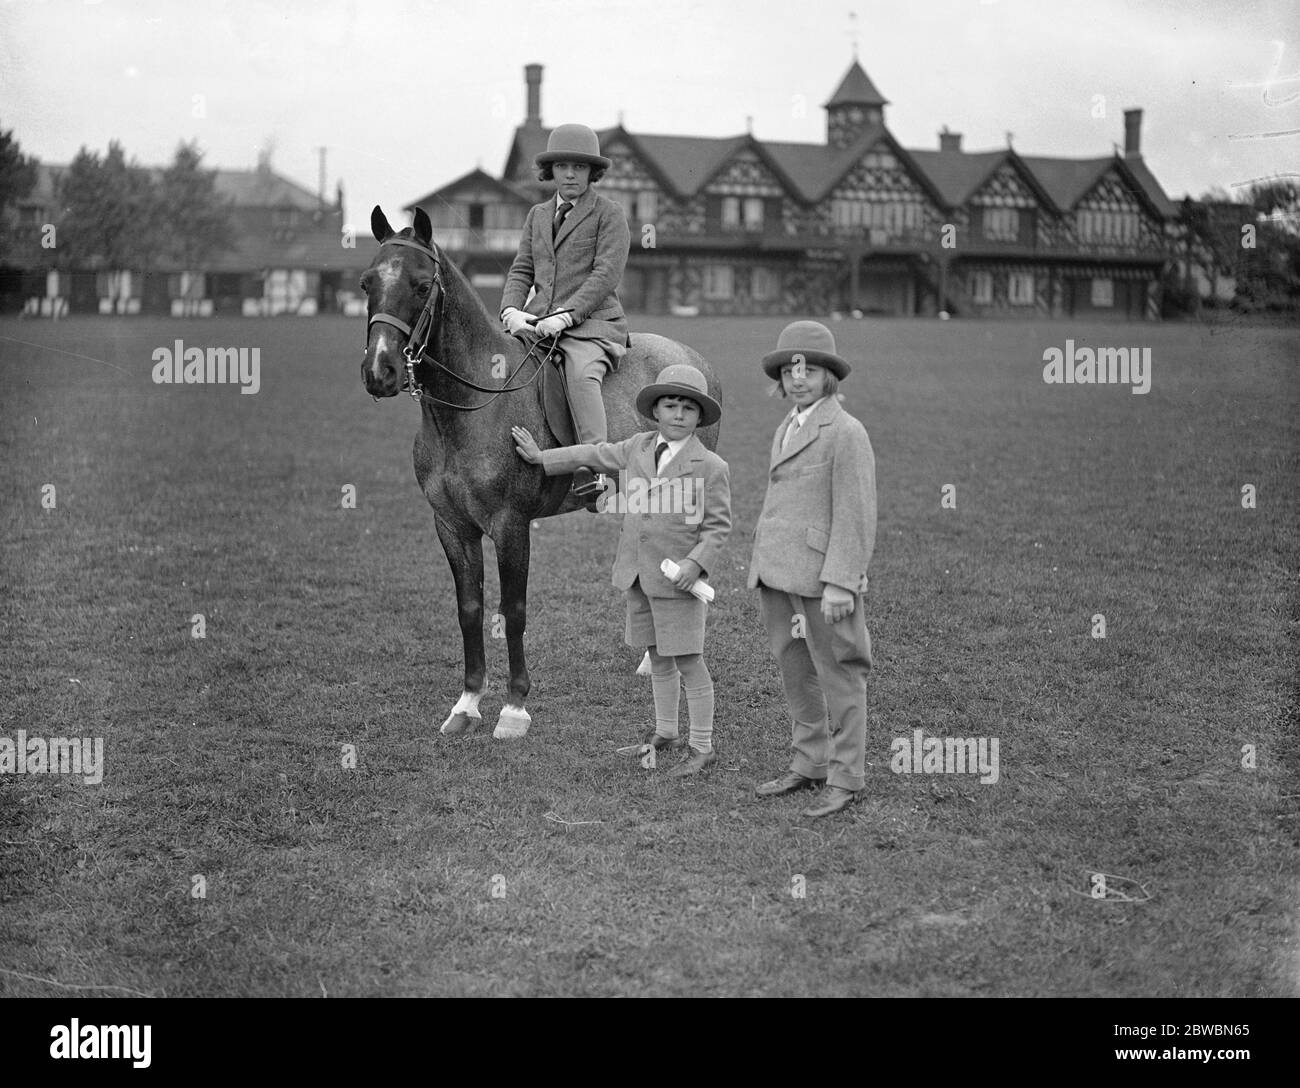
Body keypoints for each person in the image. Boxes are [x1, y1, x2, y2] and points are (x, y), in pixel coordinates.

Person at [512, 364, 731, 776]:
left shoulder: (711, 466)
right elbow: (593, 454)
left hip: (678, 582)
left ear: (700, 416)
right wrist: (543, 458)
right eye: (671, 405)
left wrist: (695, 564)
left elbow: (718, 528)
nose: (679, 414)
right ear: (656, 410)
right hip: (636, 574)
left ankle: (702, 745)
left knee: (688, 661)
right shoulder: (637, 447)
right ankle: (665, 732)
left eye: (688, 408)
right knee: (657, 656)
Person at [748, 321, 877, 818]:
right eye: (790, 369)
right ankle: (811, 763)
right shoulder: (790, 424)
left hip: (825, 582)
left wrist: (842, 582)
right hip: (778, 575)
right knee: (796, 671)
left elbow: (856, 512)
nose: (799, 378)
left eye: (811, 369)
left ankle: (846, 778)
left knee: (841, 674)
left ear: (830, 377)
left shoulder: (846, 431)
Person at [501, 123, 630, 497]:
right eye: (562, 167)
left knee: (579, 373)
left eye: (578, 167)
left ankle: (593, 470)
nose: (570, 174)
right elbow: (522, 269)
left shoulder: (609, 214)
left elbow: (606, 274)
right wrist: (511, 309)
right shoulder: (537, 215)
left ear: (592, 172)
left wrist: (569, 314)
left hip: (591, 325)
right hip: (539, 321)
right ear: (551, 171)